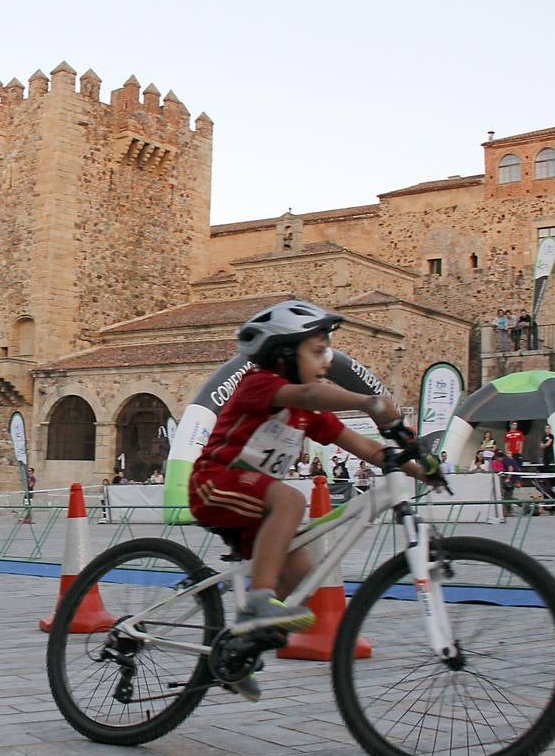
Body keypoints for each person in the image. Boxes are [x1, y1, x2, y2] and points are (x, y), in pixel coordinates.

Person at [187, 300, 438, 702]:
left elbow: (366, 449)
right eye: (317, 352)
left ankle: (238, 652)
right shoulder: (261, 384)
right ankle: (256, 602)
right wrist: (366, 401)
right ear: (285, 356)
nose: (327, 361)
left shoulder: (311, 416)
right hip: (215, 484)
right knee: (290, 500)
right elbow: (305, 392)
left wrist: (421, 468)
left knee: (304, 585)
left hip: (254, 503)